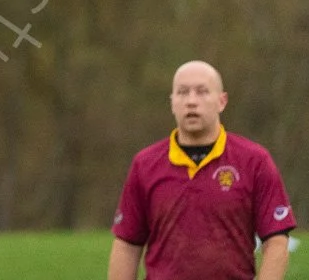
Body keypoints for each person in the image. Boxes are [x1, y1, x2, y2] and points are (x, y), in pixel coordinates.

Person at [108, 60, 296, 280]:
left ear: (222, 101)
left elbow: (276, 242)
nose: (191, 101)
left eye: (202, 92)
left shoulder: (254, 161)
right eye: (182, 93)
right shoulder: (145, 164)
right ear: (172, 102)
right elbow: (127, 244)